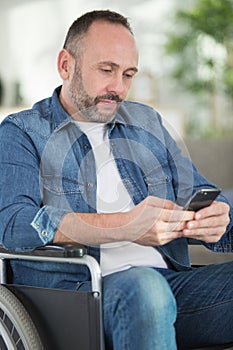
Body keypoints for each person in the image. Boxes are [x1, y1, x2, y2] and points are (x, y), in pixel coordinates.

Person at [0, 10, 232, 350]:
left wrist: (218, 218)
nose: (118, 88)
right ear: (66, 65)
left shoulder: (148, 125)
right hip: (79, 296)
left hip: (173, 288)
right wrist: (124, 226)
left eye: (128, 74)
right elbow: (11, 223)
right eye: (106, 70)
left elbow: (200, 193)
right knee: (146, 289)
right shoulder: (22, 132)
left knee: (154, 287)